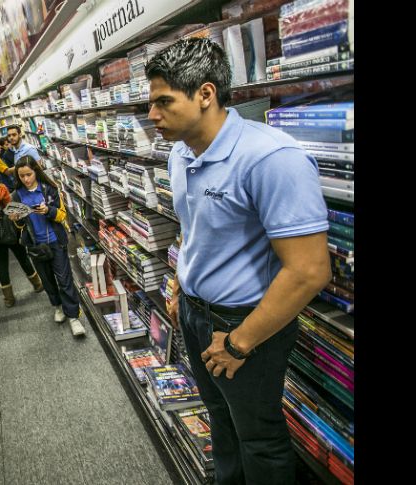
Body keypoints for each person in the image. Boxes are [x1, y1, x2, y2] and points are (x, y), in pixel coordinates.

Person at [145, 37, 332, 485]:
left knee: (258, 435)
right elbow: (196, 229)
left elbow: (308, 271)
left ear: (205, 94)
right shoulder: (180, 153)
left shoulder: (271, 158)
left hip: (246, 323)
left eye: (163, 102)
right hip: (195, 313)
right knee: (219, 417)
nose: (152, 115)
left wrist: (239, 342)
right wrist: (180, 281)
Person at [9, 156, 86, 337]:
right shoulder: (16, 195)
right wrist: (16, 219)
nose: (26, 179)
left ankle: (73, 317)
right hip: (35, 245)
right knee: (47, 280)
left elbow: (62, 215)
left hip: (56, 241)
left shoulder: (49, 189)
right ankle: (57, 306)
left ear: (36, 171)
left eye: (28, 174)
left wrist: (48, 211)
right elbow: (19, 227)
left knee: (64, 279)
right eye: (22, 176)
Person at [0, 162, 42, 307]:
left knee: (1, 264)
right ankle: (37, 284)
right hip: (8, 229)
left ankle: (9, 299)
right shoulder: (0, 188)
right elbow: (9, 208)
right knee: (22, 257)